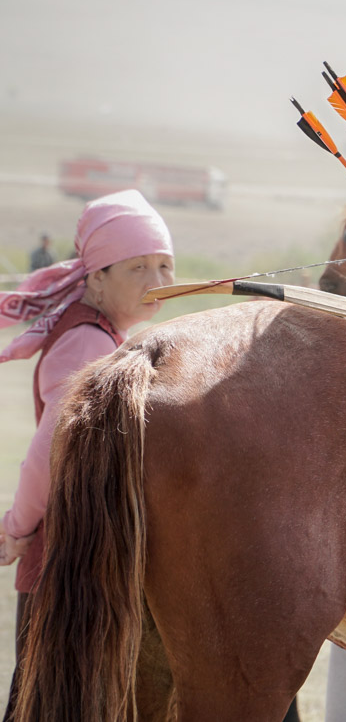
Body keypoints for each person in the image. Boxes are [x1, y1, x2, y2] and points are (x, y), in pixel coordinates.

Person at [0, 190, 175, 711]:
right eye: (137, 267)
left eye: (165, 265)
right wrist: (16, 528)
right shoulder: (87, 344)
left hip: (77, 553)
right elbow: (49, 452)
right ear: (97, 277)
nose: (158, 282)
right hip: (63, 555)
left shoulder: (106, 336)